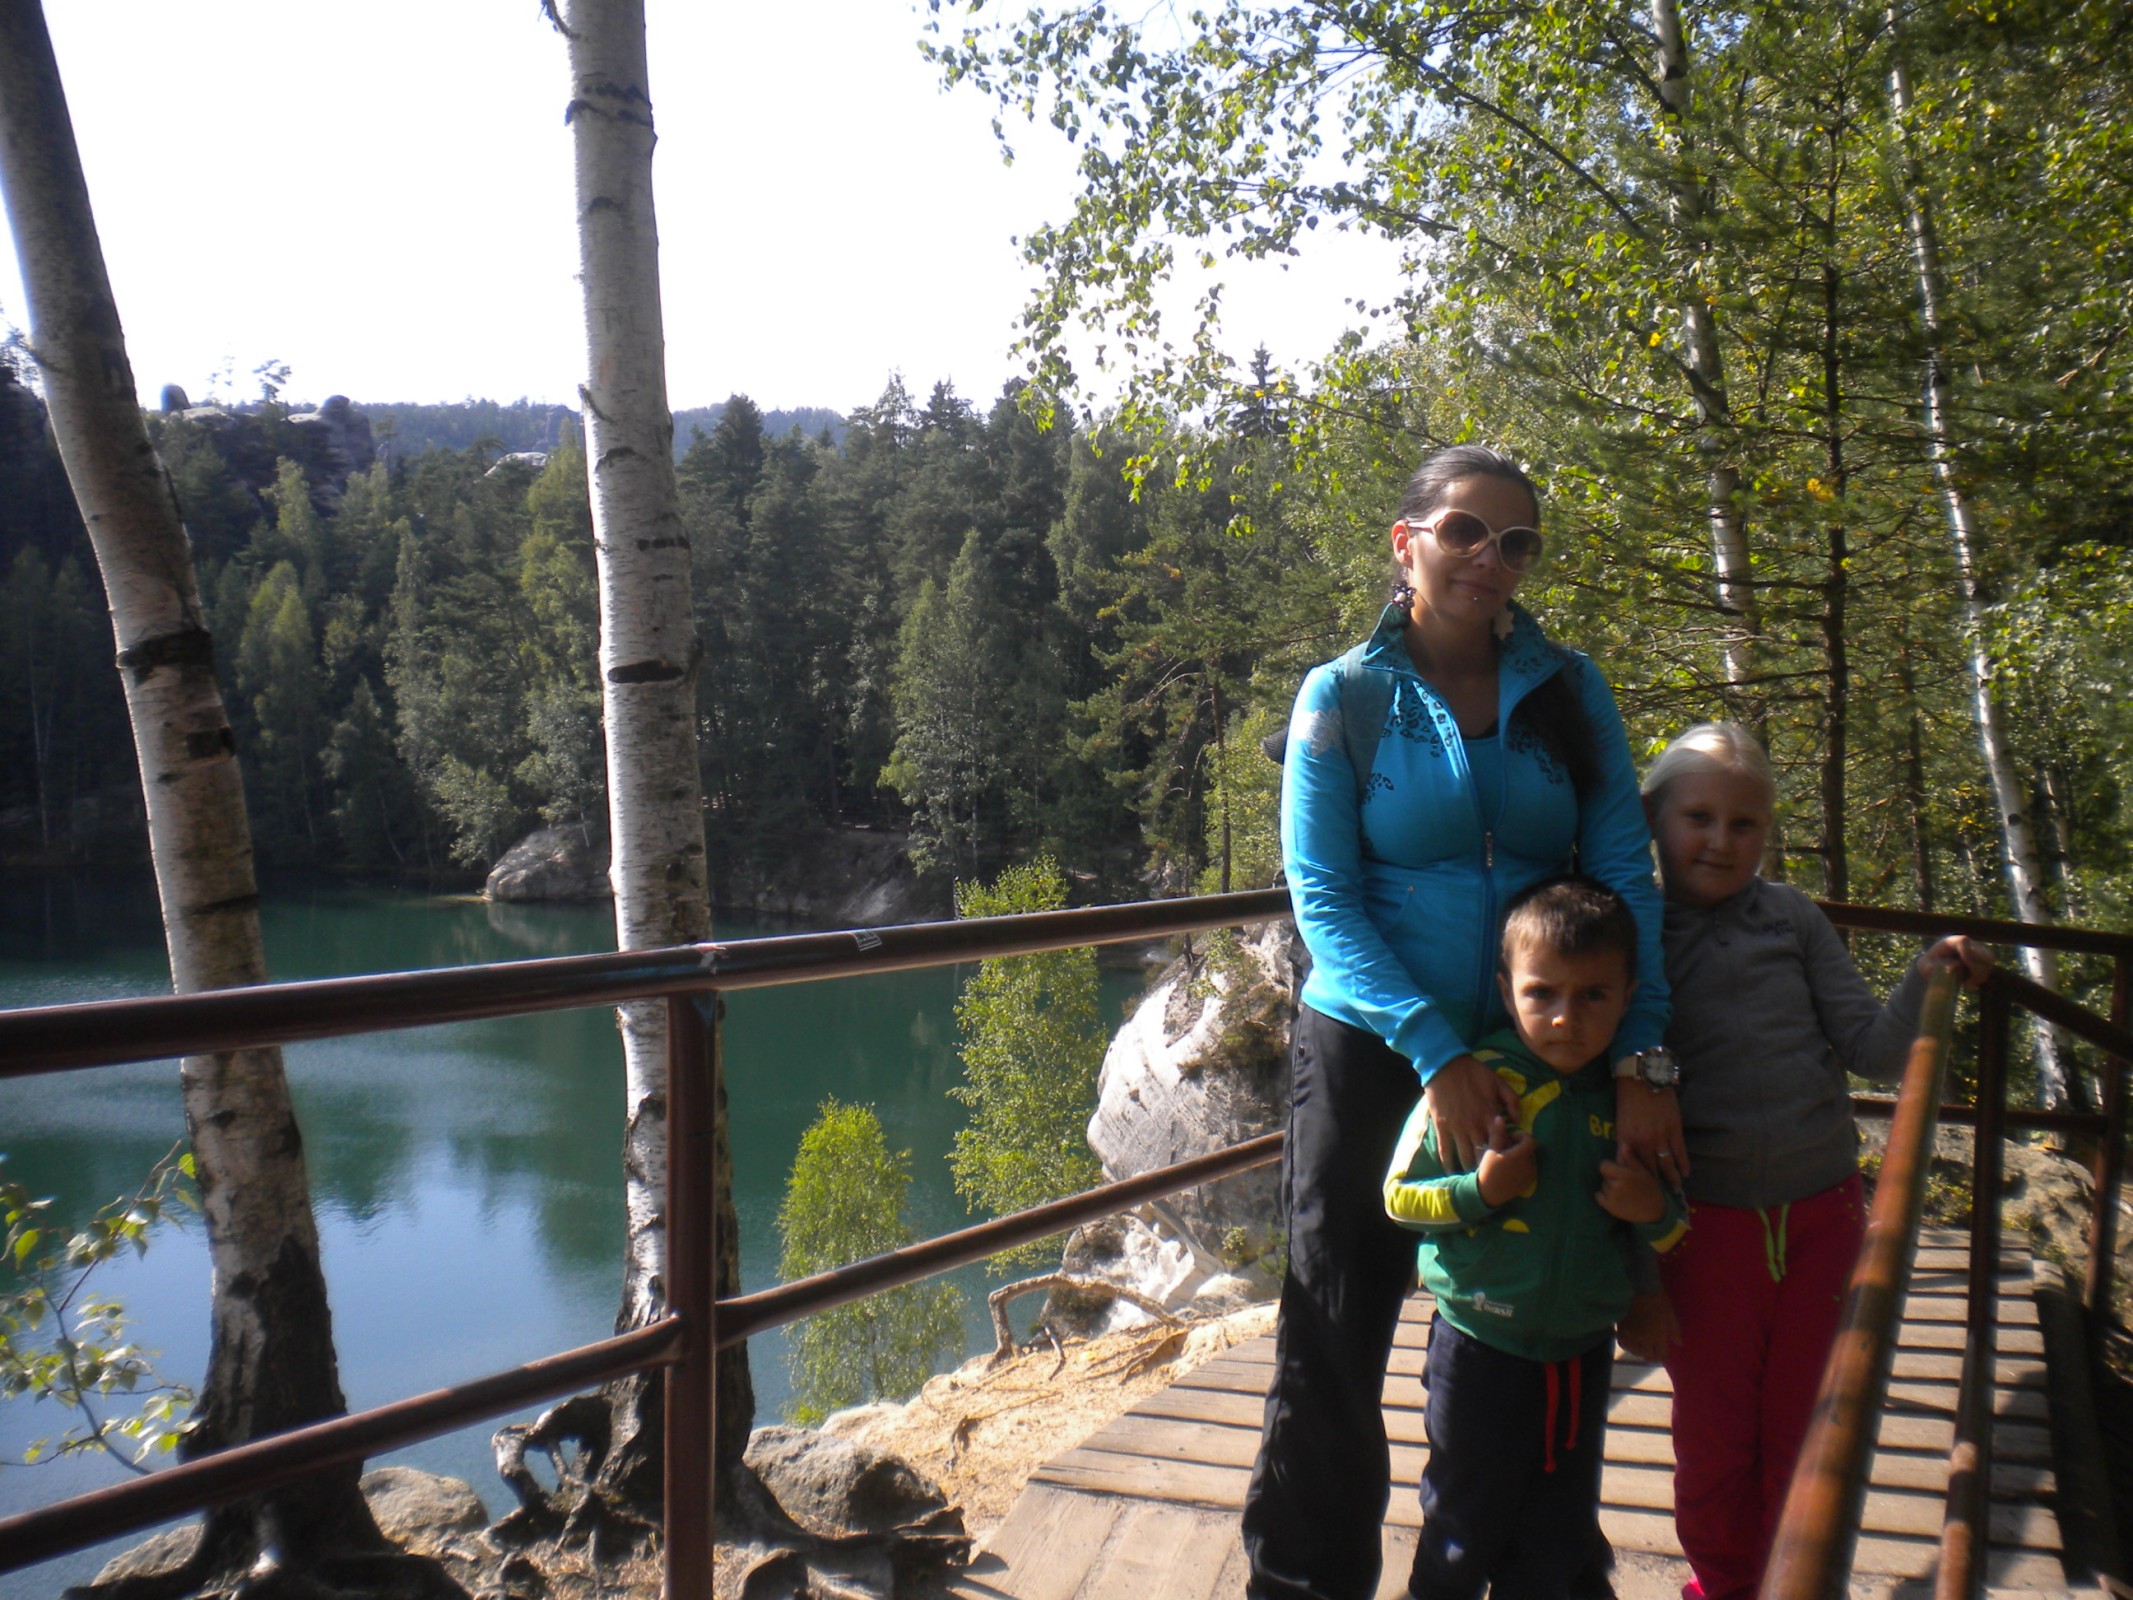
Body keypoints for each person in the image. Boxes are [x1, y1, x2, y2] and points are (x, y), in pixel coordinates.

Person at [1244, 445, 1683, 1600]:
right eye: (1464, 532)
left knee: (1524, 1324)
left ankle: (1530, 1575)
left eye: (1515, 541)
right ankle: (1304, 1584)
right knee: (1336, 1333)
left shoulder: (1569, 690)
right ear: (1407, 544)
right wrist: (1435, 1052)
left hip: (1542, 1049)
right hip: (1373, 1048)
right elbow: (1324, 897)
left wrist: (1641, 1055)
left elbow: (1624, 877)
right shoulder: (1344, 695)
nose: (1490, 558)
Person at [1628, 722, 1994, 1600]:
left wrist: (1925, 976)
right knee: (1714, 1438)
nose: (1720, 841)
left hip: (1822, 1216)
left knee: (1808, 1426)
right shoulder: (1631, 931)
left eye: (1744, 823)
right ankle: (1722, 1585)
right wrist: (1631, 1272)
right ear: (1651, 820)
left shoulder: (1792, 918)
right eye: (1698, 817)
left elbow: (1870, 1049)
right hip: (1697, 1230)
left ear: (1767, 831)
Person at [1384, 876, 1690, 1600]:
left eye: (1592, 996)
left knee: (1557, 1529)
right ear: (1506, 989)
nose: (1564, 1018)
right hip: (1477, 1347)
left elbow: (1673, 1223)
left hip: (1579, 1353)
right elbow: (1399, 1199)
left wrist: (1650, 1210)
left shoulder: (1625, 1099)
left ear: (1628, 996)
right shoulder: (1478, 1085)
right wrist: (1481, 1191)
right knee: (1461, 1521)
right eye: (1541, 993)